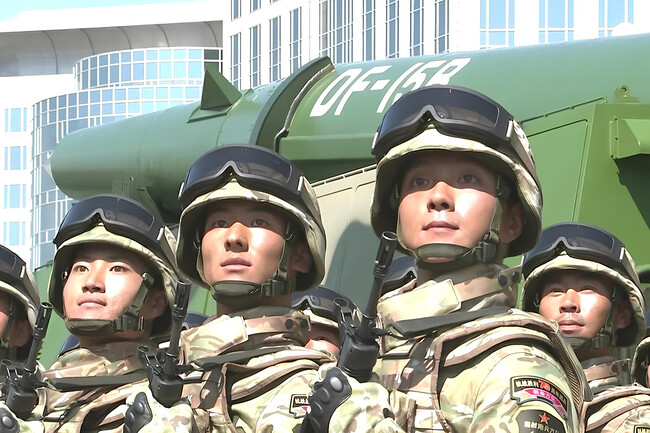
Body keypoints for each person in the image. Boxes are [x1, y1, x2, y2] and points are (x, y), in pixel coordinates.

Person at [304, 84, 587, 433]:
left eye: (467, 178)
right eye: (419, 181)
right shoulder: (386, 342)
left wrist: (357, 424)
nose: (438, 196)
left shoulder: (517, 363)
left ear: (512, 220)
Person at [126, 144, 338, 432]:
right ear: (199, 249)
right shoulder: (152, 390)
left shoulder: (326, 392)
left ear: (300, 255)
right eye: (220, 222)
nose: (234, 237)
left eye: (258, 221)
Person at [6, 194, 180, 432]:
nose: (92, 282)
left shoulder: (179, 396)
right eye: (81, 268)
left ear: (157, 302)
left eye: (117, 268)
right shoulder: (32, 396)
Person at [522, 222, 650, 432]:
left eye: (587, 289)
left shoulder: (636, 418)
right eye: (555, 290)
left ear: (623, 314)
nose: (568, 302)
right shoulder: (502, 387)